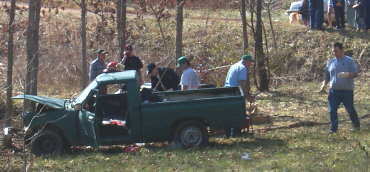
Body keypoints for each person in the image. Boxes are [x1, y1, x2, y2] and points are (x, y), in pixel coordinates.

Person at [319, 42, 361, 133]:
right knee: (332, 110)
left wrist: (347, 74)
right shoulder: (330, 62)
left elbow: (355, 74)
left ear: (342, 50)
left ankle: (356, 126)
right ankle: (333, 129)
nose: (334, 53)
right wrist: (323, 85)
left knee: (350, 109)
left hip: (347, 91)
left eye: (336, 51)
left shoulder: (349, 61)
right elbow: (327, 76)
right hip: (334, 91)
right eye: (333, 51)